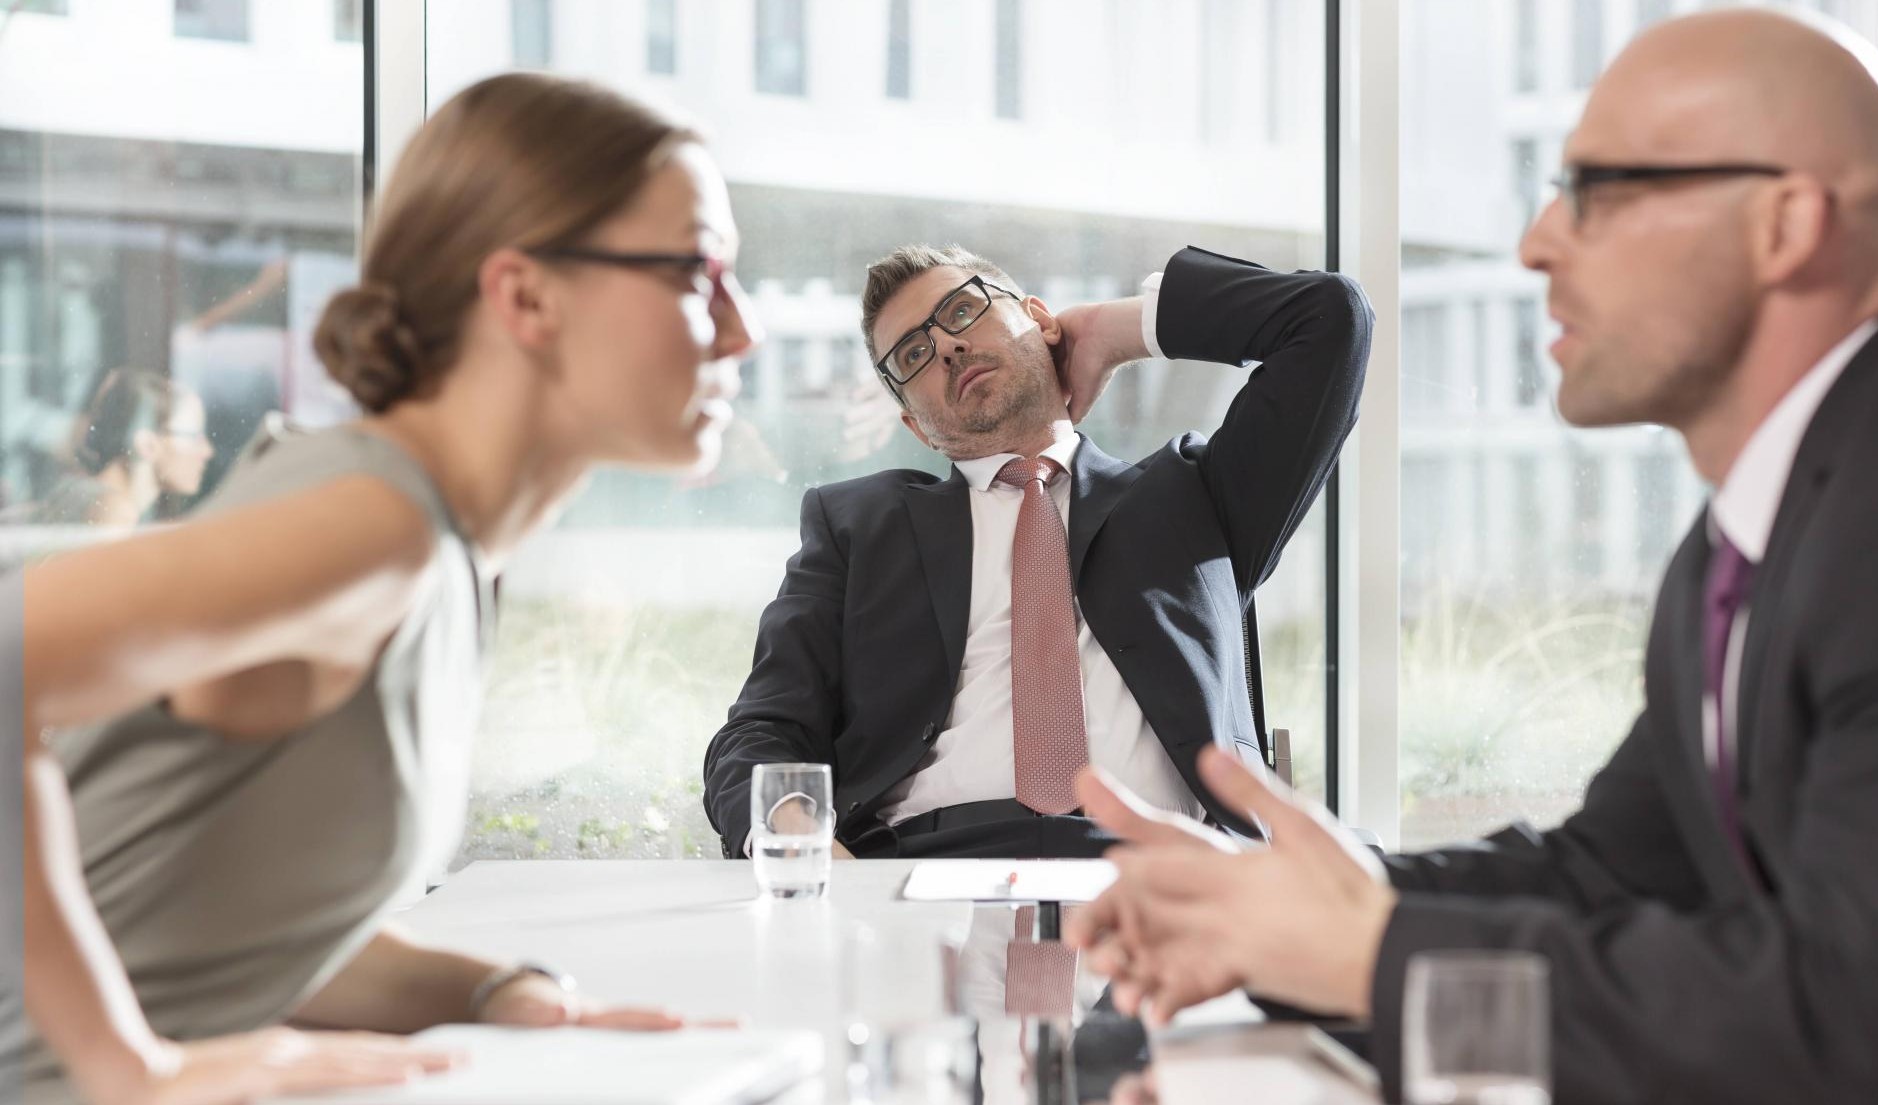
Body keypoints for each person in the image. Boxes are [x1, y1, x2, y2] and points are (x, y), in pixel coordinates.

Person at [1064, 10, 1878, 1104]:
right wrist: (1289, 908)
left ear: (1785, 225)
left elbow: (1869, 1017)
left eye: (1598, 191)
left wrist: (1369, 955)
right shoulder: (1747, 545)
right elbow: (1610, 871)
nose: (1538, 241)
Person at [9, 71, 759, 1105]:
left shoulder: (438, 546)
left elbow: (214, 917)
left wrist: (494, 989)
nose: (739, 329)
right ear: (525, 295)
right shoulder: (377, 528)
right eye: (696, 271)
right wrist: (131, 1068)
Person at [702, 244, 1372, 860]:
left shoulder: (1196, 498)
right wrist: (808, 843)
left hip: (1168, 870)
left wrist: (1118, 332)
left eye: (961, 310)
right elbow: (759, 732)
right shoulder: (858, 526)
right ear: (915, 425)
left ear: (1039, 319)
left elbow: (1328, 319)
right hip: (924, 873)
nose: (946, 349)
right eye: (911, 355)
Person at [25, 368, 214, 528]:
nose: (207, 451)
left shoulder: (78, 491)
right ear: (147, 444)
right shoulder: (113, 511)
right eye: (195, 437)